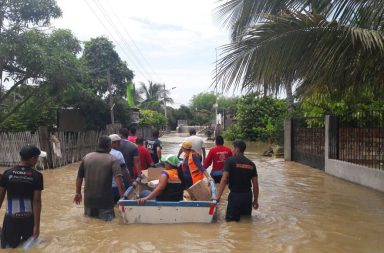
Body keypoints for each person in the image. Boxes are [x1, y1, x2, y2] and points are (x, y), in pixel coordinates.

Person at [0, 145, 43, 248]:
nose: (37, 160)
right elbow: (37, 201)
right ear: (32, 158)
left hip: (11, 220)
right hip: (28, 221)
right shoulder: (37, 176)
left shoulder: (7, 173)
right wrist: (36, 226)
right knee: (30, 248)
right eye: (37, 158)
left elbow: (0, 198)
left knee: (8, 248)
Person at [74, 136, 125, 221]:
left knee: (90, 224)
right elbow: (119, 182)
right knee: (107, 227)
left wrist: (78, 193)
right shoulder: (112, 159)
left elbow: (79, 177)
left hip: (89, 200)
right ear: (110, 146)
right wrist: (123, 199)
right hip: (105, 202)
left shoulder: (87, 157)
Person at [216, 140, 259, 222]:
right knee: (246, 221)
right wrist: (255, 201)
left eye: (233, 148)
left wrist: (218, 196)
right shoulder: (251, 164)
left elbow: (224, 179)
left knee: (231, 222)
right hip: (247, 197)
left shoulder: (229, 161)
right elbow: (255, 185)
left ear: (237, 149)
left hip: (235, 196)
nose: (232, 150)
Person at [109, 134, 132, 202]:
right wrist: (130, 182)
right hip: (115, 186)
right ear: (112, 143)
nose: (120, 144)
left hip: (105, 186)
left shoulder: (103, 153)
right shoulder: (118, 154)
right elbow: (125, 170)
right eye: (118, 142)